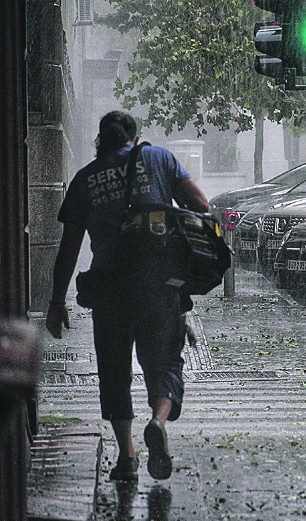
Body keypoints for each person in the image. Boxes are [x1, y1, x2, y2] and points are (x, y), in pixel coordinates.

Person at [45, 110, 209, 481]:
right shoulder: (159, 158)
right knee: (164, 363)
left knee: (115, 374)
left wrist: (57, 303)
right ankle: (158, 421)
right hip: (158, 286)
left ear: (100, 139)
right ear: (135, 137)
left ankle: (128, 456)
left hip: (109, 291)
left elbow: (68, 249)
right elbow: (200, 205)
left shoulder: (85, 180)